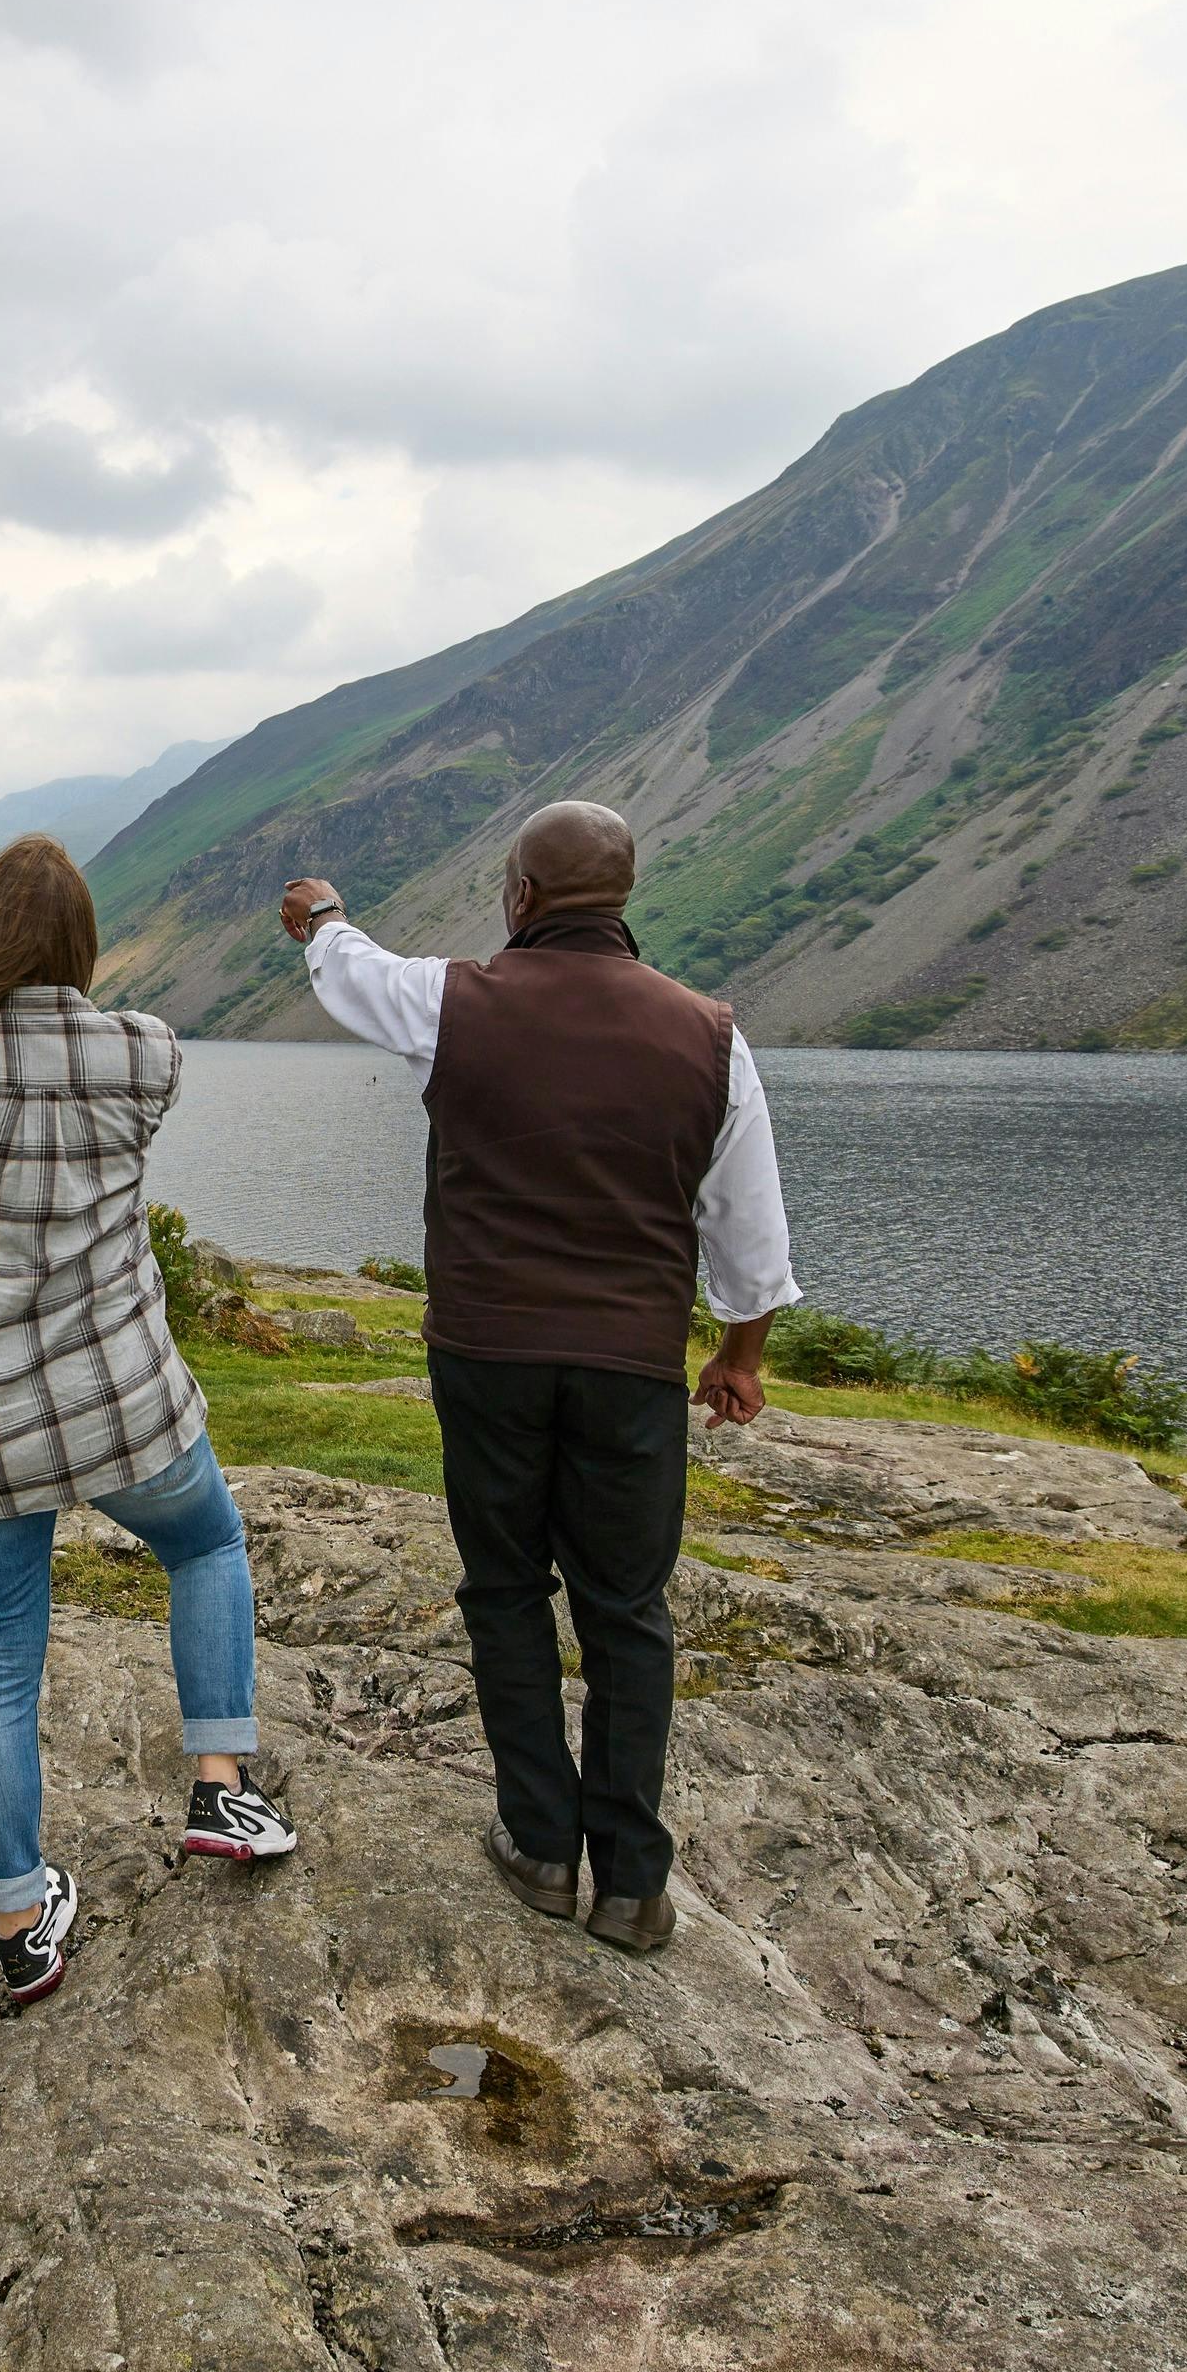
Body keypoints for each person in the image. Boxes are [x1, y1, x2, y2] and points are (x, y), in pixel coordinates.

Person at [277, 801, 798, 1954]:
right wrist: (737, 1358)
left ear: (518, 896)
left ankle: (538, 1842)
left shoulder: (456, 1002)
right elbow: (749, 1238)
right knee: (628, 1610)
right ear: (624, 896)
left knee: (506, 1589)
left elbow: (353, 975)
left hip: (488, 1355)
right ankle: (630, 1884)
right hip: (629, 1367)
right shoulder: (711, 1036)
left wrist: (319, 915)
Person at [0, 832, 297, 2008]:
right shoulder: (143, 1053)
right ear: (85, 940)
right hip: (120, 1401)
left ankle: (18, 1919)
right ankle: (221, 1790)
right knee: (206, 1543)